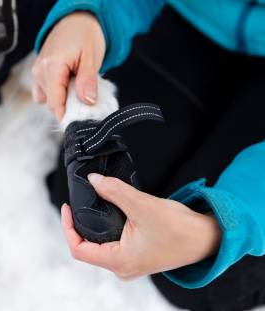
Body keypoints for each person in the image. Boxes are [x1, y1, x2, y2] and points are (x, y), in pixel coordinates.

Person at [32, 1, 265, 311]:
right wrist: (89, 15)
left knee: (207, 277)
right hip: (196, 15)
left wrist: (214, 229)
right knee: (95, 197)